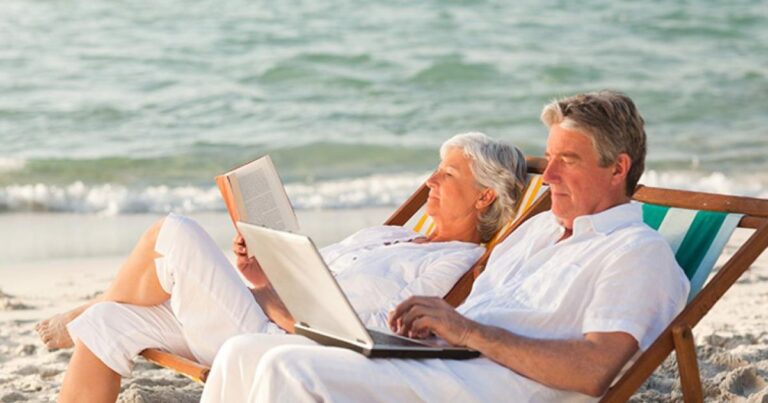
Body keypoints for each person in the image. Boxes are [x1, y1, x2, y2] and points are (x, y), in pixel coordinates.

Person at [199, 90, 690, 403]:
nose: (551, 176)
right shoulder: (538, 231)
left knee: (290, 367)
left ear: (618, 168)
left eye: (568, 161)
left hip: (489, 388)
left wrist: (465, 330)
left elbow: (595, 370)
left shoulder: (636, 252)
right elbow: (476, 315)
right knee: (245, 350)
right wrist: (431, 329)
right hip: (443, 363)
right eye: (550, 157)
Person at [52, 132, 528, 403]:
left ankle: (80, 308)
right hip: (257, 309)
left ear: (485, 195)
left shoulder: (455, 263)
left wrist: (269, 301)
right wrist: (261, 273)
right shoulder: (394, 235)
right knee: (109, 321)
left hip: (278, 341)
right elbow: (312, 276)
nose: (430, 179)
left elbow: (362, 330)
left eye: (447, 173)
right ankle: (91, 311)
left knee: (174, 232)